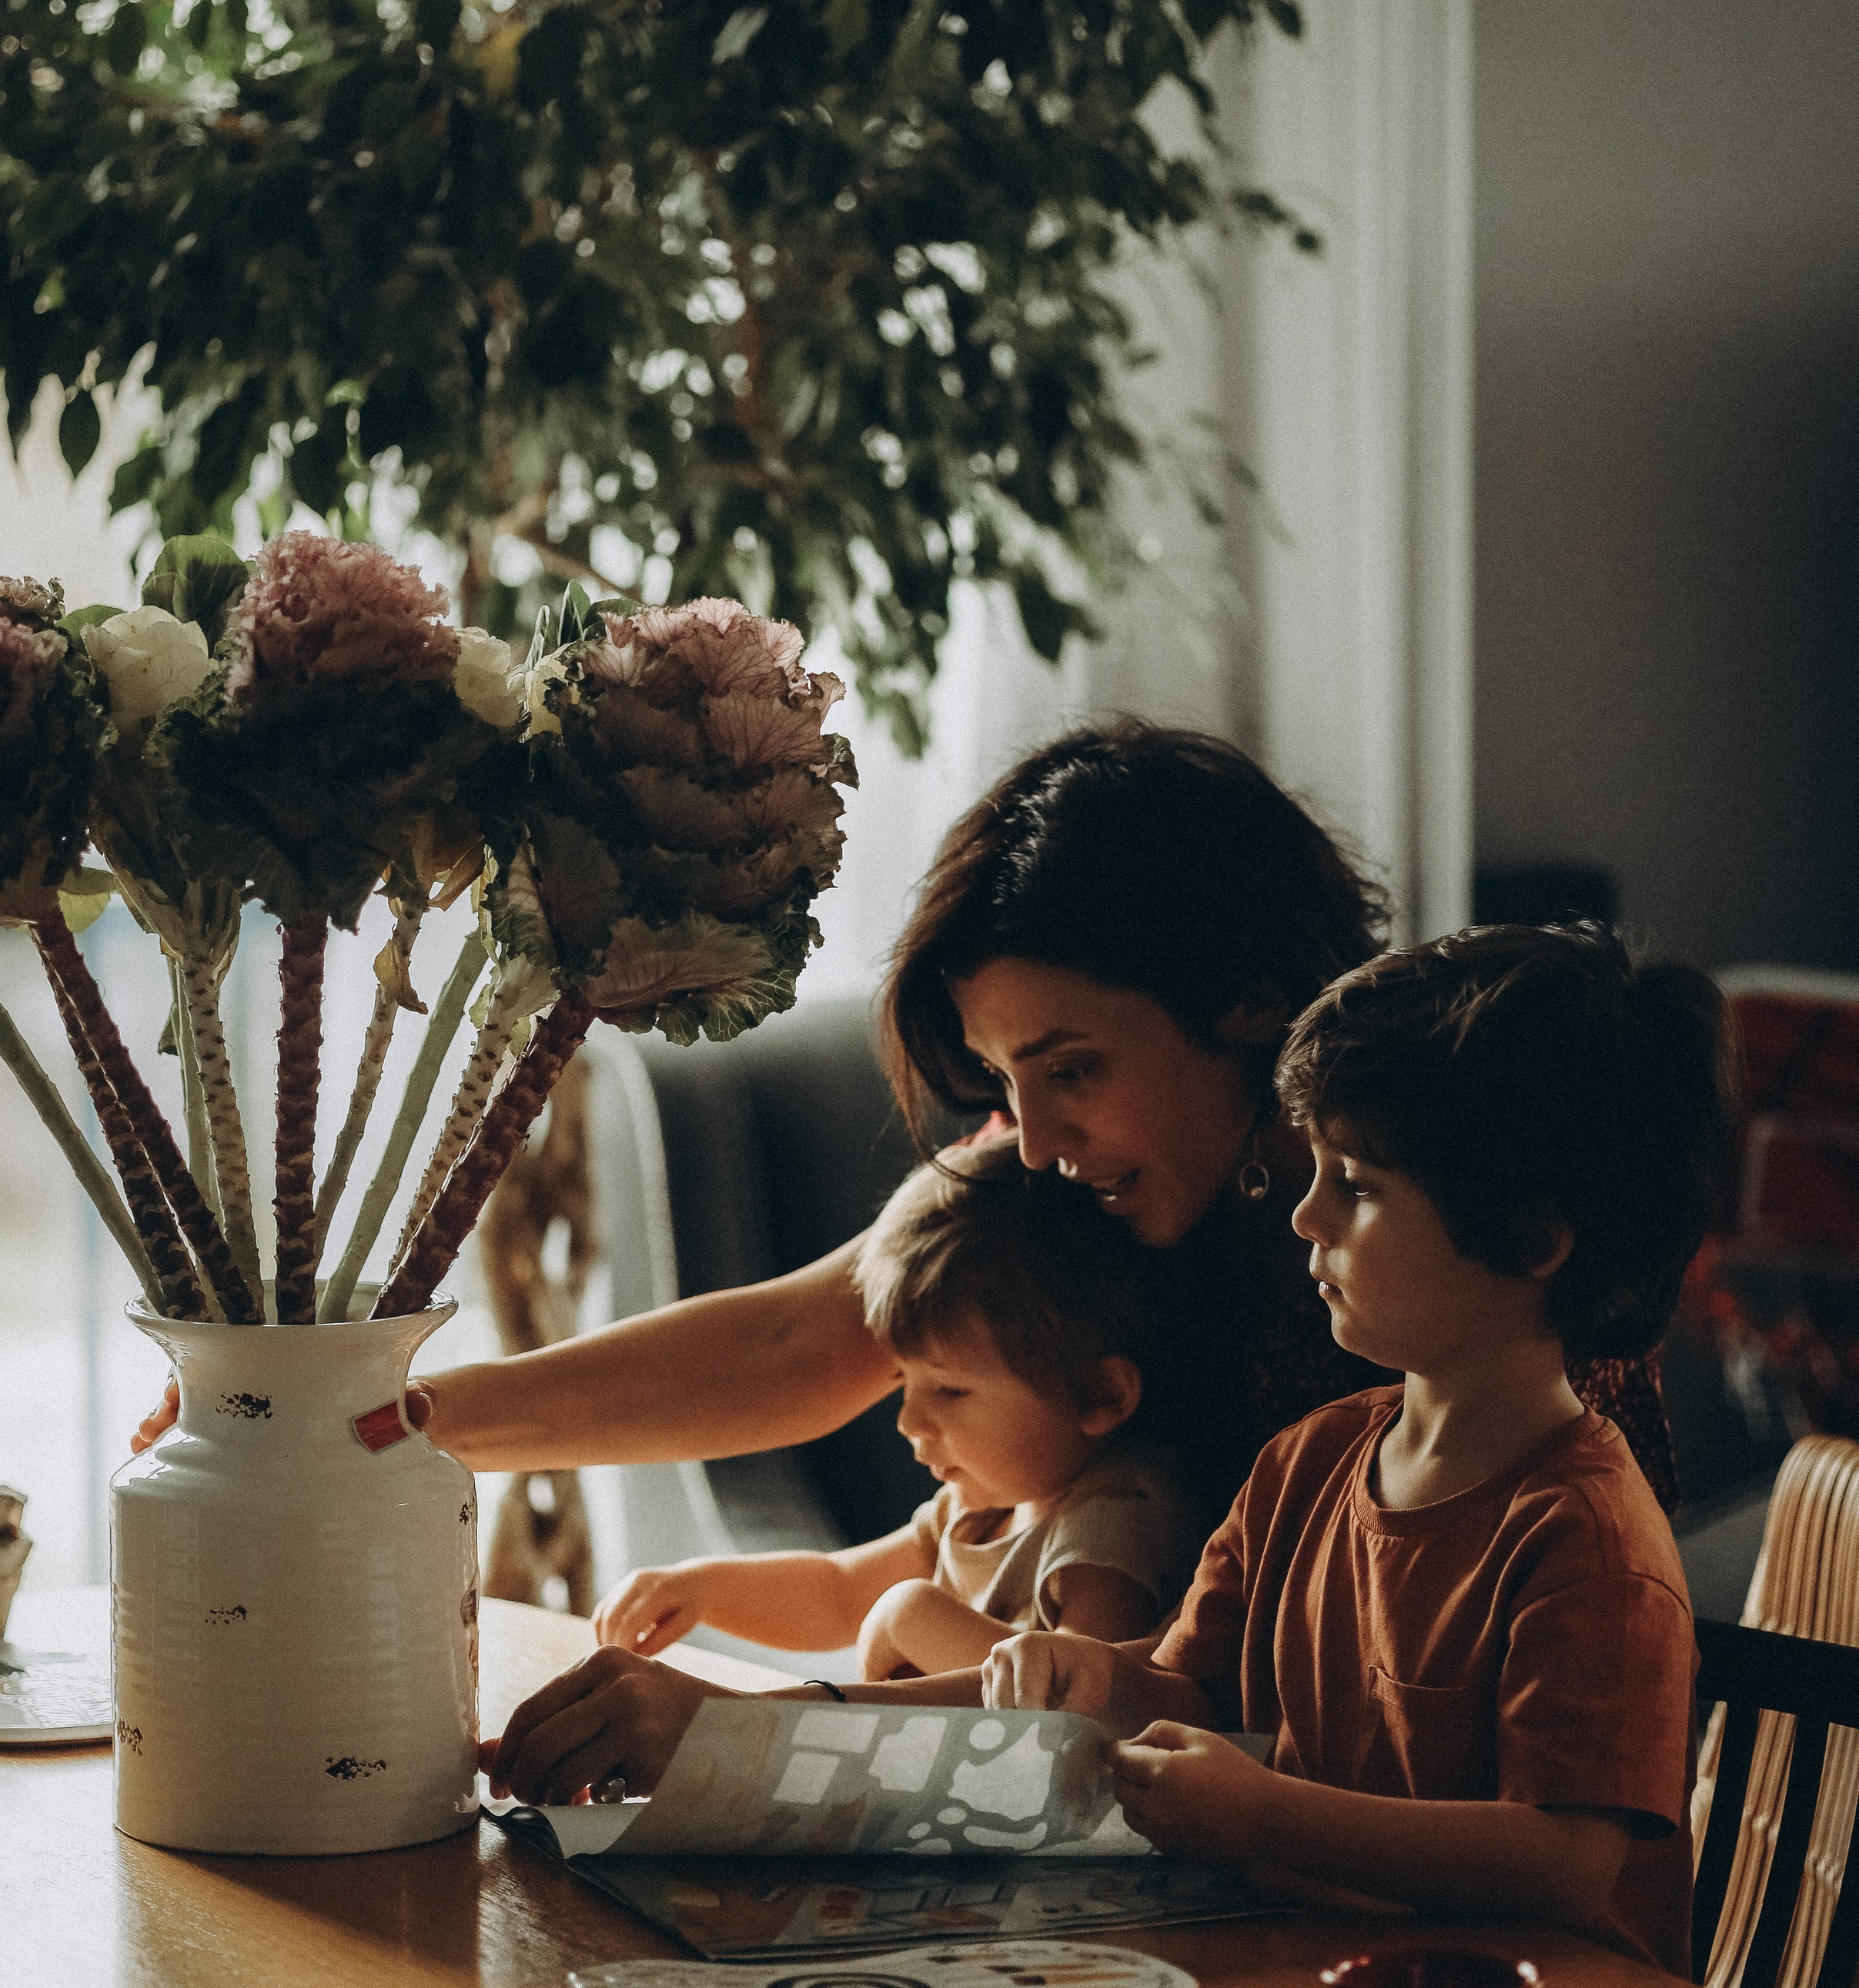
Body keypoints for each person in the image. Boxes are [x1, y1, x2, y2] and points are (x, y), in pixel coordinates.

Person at [473, 727, 1677, 1806]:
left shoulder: (1424, 1270)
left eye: (1073, 1069)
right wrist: (394, 1414)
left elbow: (1293, 1736)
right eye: (1004, 1082)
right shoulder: (1088, 1174)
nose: (1033, 1143)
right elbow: (815, 1337)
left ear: (1249, 1003)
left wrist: (754, 1733)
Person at [988, 922, 1734, 1970]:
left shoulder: (1586, 1539)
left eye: (1360, 1185)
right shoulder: (1309, 1461)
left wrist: (1263, 1817)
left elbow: (1563, 1860)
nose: (1305, 1216)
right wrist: (1090, 1681)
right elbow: (1197, 1689)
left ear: (1529, 1236)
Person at [592, 1138, 1194, 1676]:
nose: (908, 1422)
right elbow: (838, 1593)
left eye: (950, 1390)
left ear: (1101, 1395)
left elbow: (1086, 1706)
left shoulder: (1115, 1521)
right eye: (903, 1379)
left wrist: (910, 1620)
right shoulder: (981, 1507)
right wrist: (704, 1589)